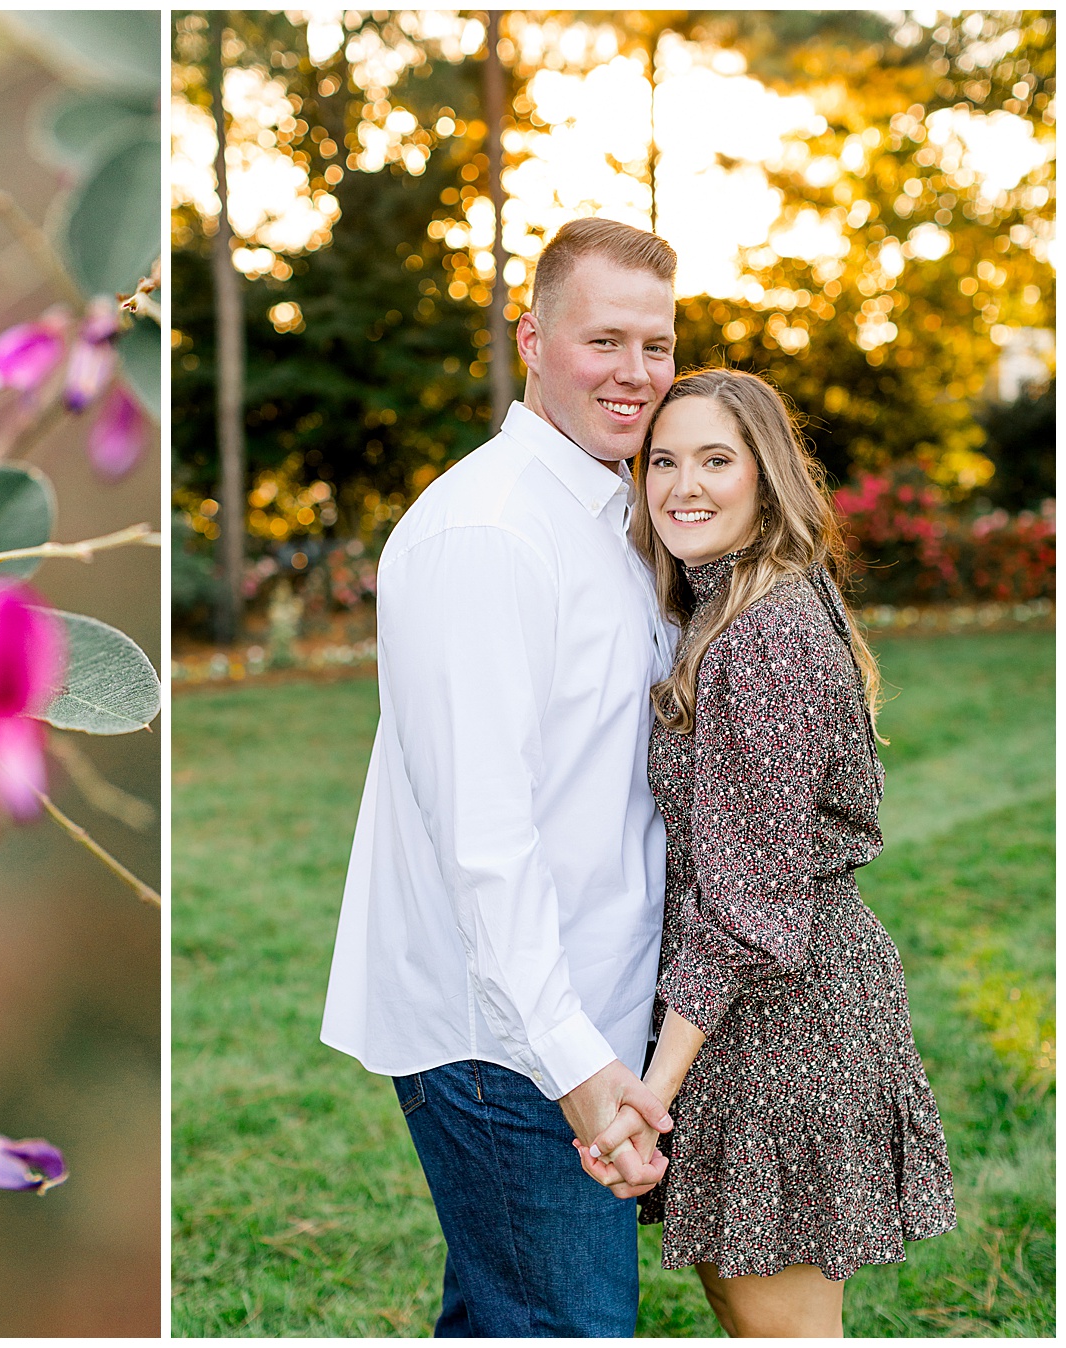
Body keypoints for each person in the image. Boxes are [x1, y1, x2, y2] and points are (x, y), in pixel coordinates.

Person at [321, 216, 681, 1337]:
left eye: (658, 346)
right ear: (532, 339)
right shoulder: (485, 532)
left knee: (503, 1318)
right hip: (509, 1042)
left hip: (591, 1019)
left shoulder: (617, 516)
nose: (635, 374)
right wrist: (575, 1066)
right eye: (604, 340)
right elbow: (484, 836)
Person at [574, 367, 957, 1335]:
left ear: (765, 474)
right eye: (662, 460)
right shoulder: (739, 603)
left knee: (781, 1328)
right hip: (759, 1012)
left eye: (715, 459)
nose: (682, 485)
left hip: (782, 1024)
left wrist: (649, 1097)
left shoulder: (762, 633)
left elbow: (751, 906)